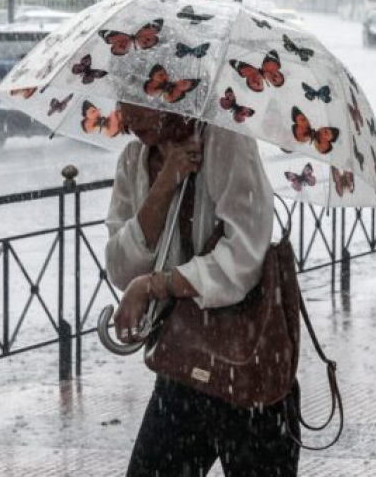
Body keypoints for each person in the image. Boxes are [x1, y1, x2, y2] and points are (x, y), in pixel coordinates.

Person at [105, 102, 301, 477]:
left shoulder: (225, 138)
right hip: (183, 365)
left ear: (168, 91)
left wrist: (155, 285)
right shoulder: (133, 160)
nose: (128, 118)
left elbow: (243, 256)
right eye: (121, 100)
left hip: (252, 367)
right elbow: (120, 267)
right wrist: (164, 184)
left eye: (138, 100)